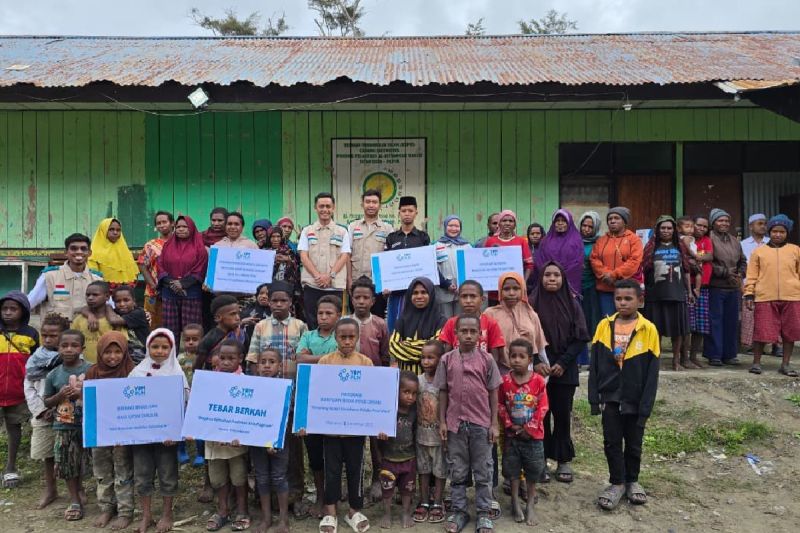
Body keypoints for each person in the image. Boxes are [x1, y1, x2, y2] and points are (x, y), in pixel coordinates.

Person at [589, 279, 660, 511]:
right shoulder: (604, 326)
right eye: (618, 298)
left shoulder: (648, 329)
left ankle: (632, 480)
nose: (622, 303)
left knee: (634, 442)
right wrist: (594, 398)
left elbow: (652, 373)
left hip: (635, 398)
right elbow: (595, 365)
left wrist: (646, 406)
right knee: (611, 441)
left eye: (628, 299)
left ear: (640, 300)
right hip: (610, 397)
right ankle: (616, 482)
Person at [435, 315, 502, 533]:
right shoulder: (446, 360)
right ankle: (459, 511)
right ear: (456, 334)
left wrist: (494, 423)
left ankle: (483, 512)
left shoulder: (487, 360)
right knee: (458, 470)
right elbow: (443, 391)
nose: (469, 335)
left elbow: (493, 392)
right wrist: (442, 421)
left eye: (473, 331)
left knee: (483, 470)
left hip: (481, 424)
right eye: (464, 331)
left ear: (480, 334)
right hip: (455, 425)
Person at [310, 318, 374, 533]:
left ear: (357, 338)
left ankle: (354, 511)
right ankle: (331, 512)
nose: (347, 341)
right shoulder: (325, 362)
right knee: (332, 471)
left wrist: (377, 423)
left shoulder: (365, 363)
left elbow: (373, 395)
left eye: (351, 337)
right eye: (342, 337)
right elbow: (318, 393)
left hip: (356, 432)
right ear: (335, 338)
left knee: (356, 470)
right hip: (331, 432)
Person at [531, 262, 590, 484]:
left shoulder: (573, 303)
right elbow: (524, 336)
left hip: (565, 369)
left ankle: (563, 459)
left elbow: (581, 337)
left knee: (563, 414)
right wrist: (536, 361)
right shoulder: (531, 304)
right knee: (541, 416)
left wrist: (563, 363)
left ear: (563, 278)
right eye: (547, 275)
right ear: (541, 278)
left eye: (556, 275)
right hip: (540, 370)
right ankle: (541, 459)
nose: (552, 278)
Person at [129, 329, 188, 533]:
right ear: (147, 347)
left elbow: (184, 403)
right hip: (141, 437)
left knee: (167, 474)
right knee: (142, 474)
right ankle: (146, 515)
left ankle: (167, 514)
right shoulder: (137, 372)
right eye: (155, 346)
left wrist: (174, 431)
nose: (160, 351)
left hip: (166, 438)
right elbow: (126, 403)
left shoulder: (177, 373)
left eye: (165, 347)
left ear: (172, 349)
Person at [296, 295, 342, 517]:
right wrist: (328, 358)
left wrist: (313, 358)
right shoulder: (308, 335)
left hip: (335, 400)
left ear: (338, 316)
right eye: (320, 313)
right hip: (310, 399)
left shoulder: (342, 336)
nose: (323, 317)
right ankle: (321, 497)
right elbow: (299, 359)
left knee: (334, 452)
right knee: (314, 453)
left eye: (329, 313)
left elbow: (342, 359)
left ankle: (334, 496)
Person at [200, 339, 251, 532]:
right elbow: (201, 409)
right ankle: (222, 510)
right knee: (217, 478)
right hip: (213, 442)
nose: (226, 362)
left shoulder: (247, 383)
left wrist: (240, 433)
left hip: (236, 443)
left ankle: (242, 511)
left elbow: (249, 413)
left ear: (240, 358)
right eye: (222, 358)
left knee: (239, 477)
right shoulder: (208, 382)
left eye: (231, 358)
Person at [86, 331, 135, 530]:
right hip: (100, 431)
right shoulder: (93, 372)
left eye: (117, 351)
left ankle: (125, 511)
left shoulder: (132, 371)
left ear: (125, 352)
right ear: (99, 352)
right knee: (102, 471)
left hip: (123, 434)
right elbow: (88, 402)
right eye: (107, 352)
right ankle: (106, 508)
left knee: (123, 470)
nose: (112, 356)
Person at [498, 338, 548, 526]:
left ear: (530, 360)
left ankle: (530, 504)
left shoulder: (538, 381)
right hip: (512, 436)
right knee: (512, 470)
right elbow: (500, 405)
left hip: (533, 437)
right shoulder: (504, 381)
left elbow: (543, 407)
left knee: (533, 470)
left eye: (521, 356)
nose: (517, 360)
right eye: (513, 356)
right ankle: (514, 502)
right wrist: (510, 425)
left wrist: (529, 428)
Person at [43, 329, 90, 522]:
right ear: (58, 348)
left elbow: (101, 394)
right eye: (64, 345)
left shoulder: (91, 370)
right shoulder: (53, 375)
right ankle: (74, 500)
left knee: (82, 462)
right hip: (63, 427)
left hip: (87, 426)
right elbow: (47, 401)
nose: (69, 349)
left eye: (74, 345)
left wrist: (81, 393)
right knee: (67, 464)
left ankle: (80, 488)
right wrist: (60, 395)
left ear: (82, 348)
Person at [24, 313, 70, 508]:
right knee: (47, 455)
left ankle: (77, 490)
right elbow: (29, 387)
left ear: (64, 335)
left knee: (70, 452)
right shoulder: (34, 360)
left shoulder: (72, 357)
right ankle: (51, 490)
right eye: (45, 335)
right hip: (43, 414)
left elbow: (75, 384)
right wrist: (42, 411)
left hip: (67, 412)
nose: (48, 339)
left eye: (53, 335)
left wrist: (61, 406)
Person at [745, 214, 800, 377]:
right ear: (769, 232)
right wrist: (749, 294)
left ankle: (785, 364)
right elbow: (751, 275)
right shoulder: (759, 252)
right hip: (765, 297)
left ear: (787, 233)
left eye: (782, 232)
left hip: (792, 296)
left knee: (790, 332)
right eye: (775, 231)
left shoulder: (795, 250)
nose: (778, 234)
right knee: (762, 330)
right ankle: (756, 363)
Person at [642, 216, 694, 371]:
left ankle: (676, 361)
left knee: (678, 330)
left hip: (676, 294)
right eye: (663, 228)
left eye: (669, 228)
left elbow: (686, 270)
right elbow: (644, 269)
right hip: (655, 295)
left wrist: (689, 292)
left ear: (674, 230)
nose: (666, 231)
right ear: (657, 230)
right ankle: (655, 361)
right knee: (655, 329)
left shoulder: (680, 247)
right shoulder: (651, 247)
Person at [0, 291, 39, 489]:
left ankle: (10, 467)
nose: (8, 312)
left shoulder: (31, 334)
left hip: (18, 392)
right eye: (4, 309)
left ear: (23, 311)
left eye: (13, 309)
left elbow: (36, 362)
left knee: (14, 428)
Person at [250, 348, 290, 533]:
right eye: (263, 362)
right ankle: (266, 518)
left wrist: (274, 441)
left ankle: (283, 519)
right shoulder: (252, 388)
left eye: (271, 362)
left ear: (280, 366)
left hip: (279, 442)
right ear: (257, 366)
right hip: (257, 442)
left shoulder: (285, 387)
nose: (267, 365)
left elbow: (285, 416)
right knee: (262, 478)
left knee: (279, 477)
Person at [298, 192, 351, 330]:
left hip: (335, 285)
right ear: (315, 208)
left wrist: (330, 276)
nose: (325, 209)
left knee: (335, 323)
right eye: (321, 206)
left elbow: (344, 255)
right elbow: (304, 256)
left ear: (333, 208)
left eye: (328, 206)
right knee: (313, 321)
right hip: (312, 284)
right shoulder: (307, 231)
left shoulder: (342, 231)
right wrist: (318, 276)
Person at [377, 371, 419, 529]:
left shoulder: (414, 411)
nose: (410, 397)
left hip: (409, 458)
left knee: (408, 489)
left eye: (414, 393)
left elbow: (415, 433)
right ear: (396, 390)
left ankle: (406, 513)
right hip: (389, 458)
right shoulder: (388, 410)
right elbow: (377, 431)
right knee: (387, 489)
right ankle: (387, 513)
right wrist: (380, 437)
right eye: (406, 392)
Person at [28, 233, 104, 320]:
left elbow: (108, 306)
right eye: (74, 248)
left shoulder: (97, 280)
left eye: (83, 249)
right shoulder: (49, 276)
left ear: (89, 253)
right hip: (58, 328)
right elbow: (29, 303)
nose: (79, 252)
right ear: (66, 253)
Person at [157, 215, 208, 344]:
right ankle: (170, 354)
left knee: (191, 329)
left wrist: (183, 284)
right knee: (170, 329)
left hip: (191, 293)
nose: (180, 229)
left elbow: (200, 268)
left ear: (191, 228)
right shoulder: (168, 246)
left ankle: (192, 355)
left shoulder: (199, 247)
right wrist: (173, 284)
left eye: (185, 227)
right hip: (170, 292)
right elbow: (160, 265)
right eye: (178, 226)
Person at [484, 272, 548, 374]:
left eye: (516, 289)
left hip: (527, 370)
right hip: (499, 371)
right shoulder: (490, 314)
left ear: (522, 290)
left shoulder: (531, 314)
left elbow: (538, 344)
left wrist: (539, 363)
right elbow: (484, 344)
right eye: (506, 289)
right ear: (500, 291)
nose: (511, 293)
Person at [705, 208, 747, 366]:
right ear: (713, 223)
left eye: (727, 221)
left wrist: (740, 273)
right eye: (720, 220)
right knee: (715, 321)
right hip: (716, 286)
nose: (724, 223)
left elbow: (743, 261)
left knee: (731, 322)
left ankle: (729, 354)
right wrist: (724, 272)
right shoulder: (708, 238)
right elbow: (707, 262)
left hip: (733, 287)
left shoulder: (734, 240)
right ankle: (714, 355)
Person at [384, 196, 431, 331]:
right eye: (404, 211)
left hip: (418, 291)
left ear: (416, 213)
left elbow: (428, 263)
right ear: (399, 213)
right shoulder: (392, 237)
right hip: (396, 292)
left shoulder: (423, 237)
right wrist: (385, 286)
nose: (407, 214)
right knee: (395, 325)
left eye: (410, 211)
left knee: (417, 324)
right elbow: (386, 264)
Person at [347, 188, 394, 317]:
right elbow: (347, 255)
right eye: (368, 202)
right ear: (362, 204)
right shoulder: (353, 227)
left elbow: (390, 258)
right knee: (356, 320)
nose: (371, 205)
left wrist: (387, 283)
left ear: (380, 205)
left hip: (377, 284)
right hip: (356, 282)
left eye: (374, 202)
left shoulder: (387, 228)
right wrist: (349, 280)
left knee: (377, 319)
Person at [414, 340, 446, 524]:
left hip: (439, 438)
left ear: (440, 360)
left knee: (440, 471)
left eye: (430, 358)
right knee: (423, 470)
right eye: (423, 357)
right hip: (421, 436)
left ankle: (438, 502)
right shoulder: (417, 381)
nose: (425, 361)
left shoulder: (444, 382)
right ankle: (424, 501)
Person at [590, 207, 644, 317]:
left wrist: (614, 275)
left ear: (624, 221)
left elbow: (634, 261)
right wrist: (606, 274)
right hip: (605, 289)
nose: (612, 221)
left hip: (627, 290)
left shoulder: (634, 239)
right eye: (610, 219)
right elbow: (594, 259)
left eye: (616, 218)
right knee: (608, 320)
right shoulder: (601, 240)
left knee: (627, 319)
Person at [246, 282, 308, 376]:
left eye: (283, 301)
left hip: (292, 380)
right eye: (274, 301)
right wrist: (258, 380)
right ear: (269, 302)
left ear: (290, 302)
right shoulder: (260, 326)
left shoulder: (300, 325)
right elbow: (253, 358)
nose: (279, 304)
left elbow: (305, 357)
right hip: (266, 381)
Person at [389, 277, 447, 374]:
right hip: (405, 378)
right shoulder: (402, 320)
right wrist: (424, 346)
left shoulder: (440, 320)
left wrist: (406, 344)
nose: (419, 296)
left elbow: (436, 348)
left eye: (424, 292)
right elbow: (393, 346)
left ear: (431, 294)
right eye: (415, 293)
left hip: (430, 378)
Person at [439, 280, 505, 362]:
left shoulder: (491, 323)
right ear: (458, 299)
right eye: (464, 296)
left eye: (473, 296)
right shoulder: (451, 323)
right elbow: (446, 355)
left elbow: (495, 357)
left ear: (482, 299)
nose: (468, 301)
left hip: (483, 368)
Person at [740, 214, 777, 353]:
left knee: (771, 317)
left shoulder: (772, 242)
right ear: (751, 226)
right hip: (749, 286)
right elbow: (740, 267)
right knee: (750, 316)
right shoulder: (743, 244)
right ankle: (750, 346)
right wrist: (742, 287)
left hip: (770, 286)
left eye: (765, 224)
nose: (763, 226)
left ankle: (774, 345)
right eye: (759, 223)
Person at [71, 281, 125, 364]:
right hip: (85, 366)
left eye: (95, 295)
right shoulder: (79, 319)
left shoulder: (116, 320)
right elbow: (72, 341)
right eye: (88, 295)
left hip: (109, 365)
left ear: (107, 297)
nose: (90, 298)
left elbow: (122, 342)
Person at [534, 209, 584, 296]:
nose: (560, 223)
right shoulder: (545, 241)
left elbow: (577, 263)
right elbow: (540, 261)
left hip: (569, 283)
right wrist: (551, 275)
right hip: (549, 282)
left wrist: (560, 276)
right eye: (557, 221)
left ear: (569, 223)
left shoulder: (576, 241)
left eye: (564, 221)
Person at [137, 211, 174, 328]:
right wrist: (152, 285)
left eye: (164, 222)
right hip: (153, 293)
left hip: (174, 291)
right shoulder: (151, 245)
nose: (162, 225)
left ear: (172, 223)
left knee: (171, 325)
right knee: (151, 324)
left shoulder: (180, 243)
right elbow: (142, 264)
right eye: (158, 223)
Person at [176, 323, 205, 468]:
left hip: (200, 397)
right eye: (187, 339)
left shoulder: (204, 358)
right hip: (183, 397)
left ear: (202, 339)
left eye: (195, 339)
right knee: (181, 424)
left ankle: (200, 453)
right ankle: (181, 450)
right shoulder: (178, 358)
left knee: (198, 425)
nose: (191, 342)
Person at [195, 295, 247, 373]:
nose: (238, 318)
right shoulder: (209, 339)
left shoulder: (243, 335)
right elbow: (197, 367)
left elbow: (244, 362)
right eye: (232, 314)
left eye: (238, 313)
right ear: (218, 318)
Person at [347, 276, 390, 367]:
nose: (361, 301)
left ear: (372, 301)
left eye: (366, 298)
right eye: (357, 297)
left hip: (374, 371)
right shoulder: (344, 322)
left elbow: (385, 354)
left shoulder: (380, 324)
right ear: (352, 300)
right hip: (349, 371)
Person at [435, 215, 472, 318]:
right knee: (445, 321)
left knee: (460, 321)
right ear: (445, 226)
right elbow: (434, 269)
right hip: (444, 291)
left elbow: (471, 267)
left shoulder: (467, 246)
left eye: (457, 226)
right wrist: (446, 284)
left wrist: (464, 286)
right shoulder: (437, 245)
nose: (453, 229)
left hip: (462, 291)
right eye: (450, 225)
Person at [579, 212, 603, 367]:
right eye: (584, 225)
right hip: (575, 288)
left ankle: (595, 359)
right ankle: (581, 359)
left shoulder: (600, 243)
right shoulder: (574, 240)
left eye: (590, 226)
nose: (586, 229)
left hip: (593, 287)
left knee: (594, 322)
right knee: (578, 323)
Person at [688, 215, 713, 366]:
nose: (701, 228)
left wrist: (695, 258)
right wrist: (692, 259)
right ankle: (684, 357)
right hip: (687, 287)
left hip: (703, 287)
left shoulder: (707, 240)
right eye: (699, 225)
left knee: (700, 325)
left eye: (705, 226)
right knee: (687, 324)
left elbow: (710, 255)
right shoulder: (685, 239)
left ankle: (694, 356)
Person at [88, 218, 139, 288]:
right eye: (111, 229)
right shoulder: (94, 252)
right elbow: (93, 276)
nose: (115, 232)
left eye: (118, 230)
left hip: (126, 291)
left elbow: (133, 273)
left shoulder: (124, 250)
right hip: (104, 291)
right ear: (103, 230)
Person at [484, 210, 534, 282]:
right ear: (499, 223)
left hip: (515, 284)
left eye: (511, 221)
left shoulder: (521, 241)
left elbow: (529, 265)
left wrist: (523, 282)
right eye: (504, 221)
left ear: (515, 225)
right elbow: (485, 263)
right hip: (494, 283)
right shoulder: (491, 241)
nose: (507, 223)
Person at [265, 226, 303, 319]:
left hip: (287, 288)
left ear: (282, 237)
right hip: (269, 288)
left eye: (278, 236)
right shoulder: (264, 252)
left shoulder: (289, 251)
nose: (276, 239)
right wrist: (271, 260)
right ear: (269, 238)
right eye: (273, 237)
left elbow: (297, 267)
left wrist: (288, 260)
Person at [108, 285, 150, 363]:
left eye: (126, 300)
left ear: (134, 301)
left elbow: (114, 321)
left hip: (141, 358)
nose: (122, 304)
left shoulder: (138, 313)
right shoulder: (115, 313)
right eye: (118, 301)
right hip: (123, 358)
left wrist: (108, 307)